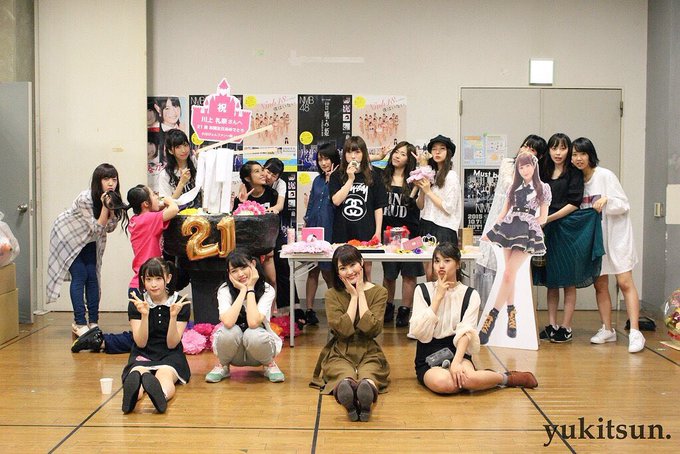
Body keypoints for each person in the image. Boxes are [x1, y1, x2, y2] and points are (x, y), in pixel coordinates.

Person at [409, 242, 538, 394]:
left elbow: (466, 331)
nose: (441, 266)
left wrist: (456, 363)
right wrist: (437, 298)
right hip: (428, 355)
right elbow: (419, 332)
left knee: (466, 379)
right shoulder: (422, 290)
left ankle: (506, 378)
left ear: (458, 264)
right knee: (446, 384)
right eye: (437, 261)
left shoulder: (470, 294)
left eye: (447, 260)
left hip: (457, 351)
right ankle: (483, 377)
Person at [571, 137, 646, 353]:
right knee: (600, 285)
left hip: (617, 238)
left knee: (624, 282)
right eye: (574, 154)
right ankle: (607, 328)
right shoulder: (576, 183)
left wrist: (607, 200)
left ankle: (635, 331)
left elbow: (624, 204)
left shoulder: (605, 175)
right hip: (596, 241)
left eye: (582, 153)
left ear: (590, 155)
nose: (578, 158)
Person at [533, 133, 603, 343]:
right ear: (549, 150)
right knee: (552, 280)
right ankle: (552, 325)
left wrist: (548, 218)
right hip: (546, 230)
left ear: (568, 151)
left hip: (567, 228)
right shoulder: (543, 170)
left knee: (568, 280)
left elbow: (574, 202)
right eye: (554, 148)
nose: (558, 153)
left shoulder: (574, 173)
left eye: (563, 148)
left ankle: (566, 327)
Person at [310, 245, 390, 422]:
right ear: (337, 273)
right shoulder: (331, 294)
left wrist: (361, 293)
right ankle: (346, 393)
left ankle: (366, 392)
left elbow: (373, 329)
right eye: (343, 268)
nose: (349, 272)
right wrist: (353, 297)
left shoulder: (380, 292)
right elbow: (343, 331)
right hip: (340, 350)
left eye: (352, 265)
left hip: (369, 350)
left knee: (370, 373)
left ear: (362, 263)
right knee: (342, 374)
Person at [478, 152, 551, 344]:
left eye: (528, 166)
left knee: (509, 273)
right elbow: (503, 212)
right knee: (507, 275)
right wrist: (491, 231)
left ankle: (492, 316)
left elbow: (543, 217)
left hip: (526, 232)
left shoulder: (543, 187)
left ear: (534, 167)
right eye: (521, 167)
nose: (525, 170)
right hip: (509, 228)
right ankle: (511, 313)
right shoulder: (513, 187)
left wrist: (530, 226)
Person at [47, 163, 127, 338]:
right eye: (106, 179)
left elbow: (110, 228)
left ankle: (93, 322)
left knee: (92, 276)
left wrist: (111, 208)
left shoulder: (113, 197)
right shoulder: (85, 198)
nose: (111, 183)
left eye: (114, 179)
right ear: (98, 181)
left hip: (88, 239)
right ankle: (79, 323)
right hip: (68, 236)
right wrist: (105, 207)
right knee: (80, 275)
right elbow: (98, 229)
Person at [122, 258, 191, 414]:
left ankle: (161, 396)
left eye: (158, 278)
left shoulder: (180, 303)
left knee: (164, 375)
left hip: (170, 354)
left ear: (168, 278)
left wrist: (173, 316)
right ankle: (132, 397)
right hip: (143, 352)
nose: (153, 284)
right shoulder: (137, 303)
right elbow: (140, 343)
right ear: (142, 280)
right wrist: (144, 314)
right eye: (149, 279)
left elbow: (172, 344)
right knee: (138, 373)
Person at [204, 249, 285, 384]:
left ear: (253, 264)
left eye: (243, 268)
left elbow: (253, 323)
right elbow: (228, 322)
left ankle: (269, 365)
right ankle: (223, 365)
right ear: (229, 273)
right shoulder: (224, 290)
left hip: (259, 353)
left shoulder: (266, 290)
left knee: (254, 333)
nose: (240, 274)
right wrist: (242, 291)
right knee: (228, 331)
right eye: (234, 271)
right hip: (233, 354)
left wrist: (250, 288)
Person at [329, 136, 388, 279]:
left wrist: (378, 231)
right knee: (344, 270)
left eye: (357, 152)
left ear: (364, 153)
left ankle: (364, 294)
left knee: (365, 270)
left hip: (366, 229)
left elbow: (378, 206)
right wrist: (350, 179)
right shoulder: (337, 175)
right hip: (343, 230)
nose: (353, 156)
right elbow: (336, 201)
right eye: (349, 152)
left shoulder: (374, 175)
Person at [381, 141, 424, 327]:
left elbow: (420, 205)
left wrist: (422, 166)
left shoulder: (415, 179)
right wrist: (379, 156)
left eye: (403, 154)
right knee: (389, 274)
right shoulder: (382, 177)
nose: (397, 156)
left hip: (412, 234)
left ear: (409, 159)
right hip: (388, 234)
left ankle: (405, 310)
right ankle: (388, 307)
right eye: (396, 152)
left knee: (409, 274)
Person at [414, 135, 461, 280]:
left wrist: (428, 191)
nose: (437, 152)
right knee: (429, 275)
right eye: (434, 149)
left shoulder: (451, 176)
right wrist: (423, 190)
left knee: (442, 275)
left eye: (442, 149)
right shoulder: (430, 174)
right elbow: (420, 205)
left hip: (444, 228)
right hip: (426, 226)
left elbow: (449, 207)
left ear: (448, 153)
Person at [303, 143, 341, 326]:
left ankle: (336, 309)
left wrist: (333, 178)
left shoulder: (339, 179)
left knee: (328, 272)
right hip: (313, 228)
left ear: (334, 159)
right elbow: (311, 202)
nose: (323, 163)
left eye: (326, 159)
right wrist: (306, 221)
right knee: (312, 271)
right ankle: (309, 310)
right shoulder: (317, 180)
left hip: (330, 228)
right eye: (320, 159)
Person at [233, 161, 279, 296]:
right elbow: (237, 224)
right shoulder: (241, 197)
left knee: (272, 280)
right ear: (248, 178)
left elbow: (274, 221)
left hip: (266, 247)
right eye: (257, 171)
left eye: (262, 170)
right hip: (247, 248)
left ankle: (272, 307)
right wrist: (243, 203)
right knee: (250, 281)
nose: (263, 174)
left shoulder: (272, 194)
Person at [158, 129, 201, 209]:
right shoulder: (165, 175)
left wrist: (202, 160)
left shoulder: (196, 163)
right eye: (178, 147)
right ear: (170, 151)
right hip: (177, 215)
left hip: (199, 213)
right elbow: (166, 205)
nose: (183, 150)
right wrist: (181, 183)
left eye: (185, 145)